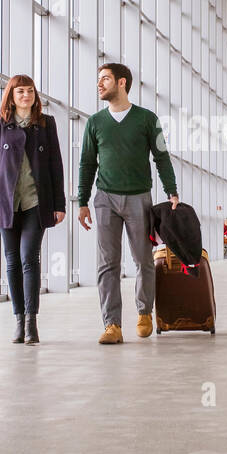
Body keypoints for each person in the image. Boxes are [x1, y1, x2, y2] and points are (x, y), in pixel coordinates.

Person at [77, 63, 179, 344]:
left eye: (105, 79)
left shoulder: (147, 119)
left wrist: (172, 191)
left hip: (138, 198)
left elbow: (161, 157)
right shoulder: (94, 122)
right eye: (98, 79)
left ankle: (145, 312)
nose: (99, 84)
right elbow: (87, 163)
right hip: (105, 198)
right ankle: (112, 325)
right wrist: (82, 201)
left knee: (143, 260)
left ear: (122, 83)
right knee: (107, 264)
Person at [0, 75, 66, 346]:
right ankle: (18, 321)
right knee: (11, 261)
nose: (26, 96)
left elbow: (56, 166)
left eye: (30, 91)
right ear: (11, 95)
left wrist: (59, 204)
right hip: (7, 204)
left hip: (36, 203)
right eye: (20, 92)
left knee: (29, 258)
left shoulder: (45, 123)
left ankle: (32, 324)